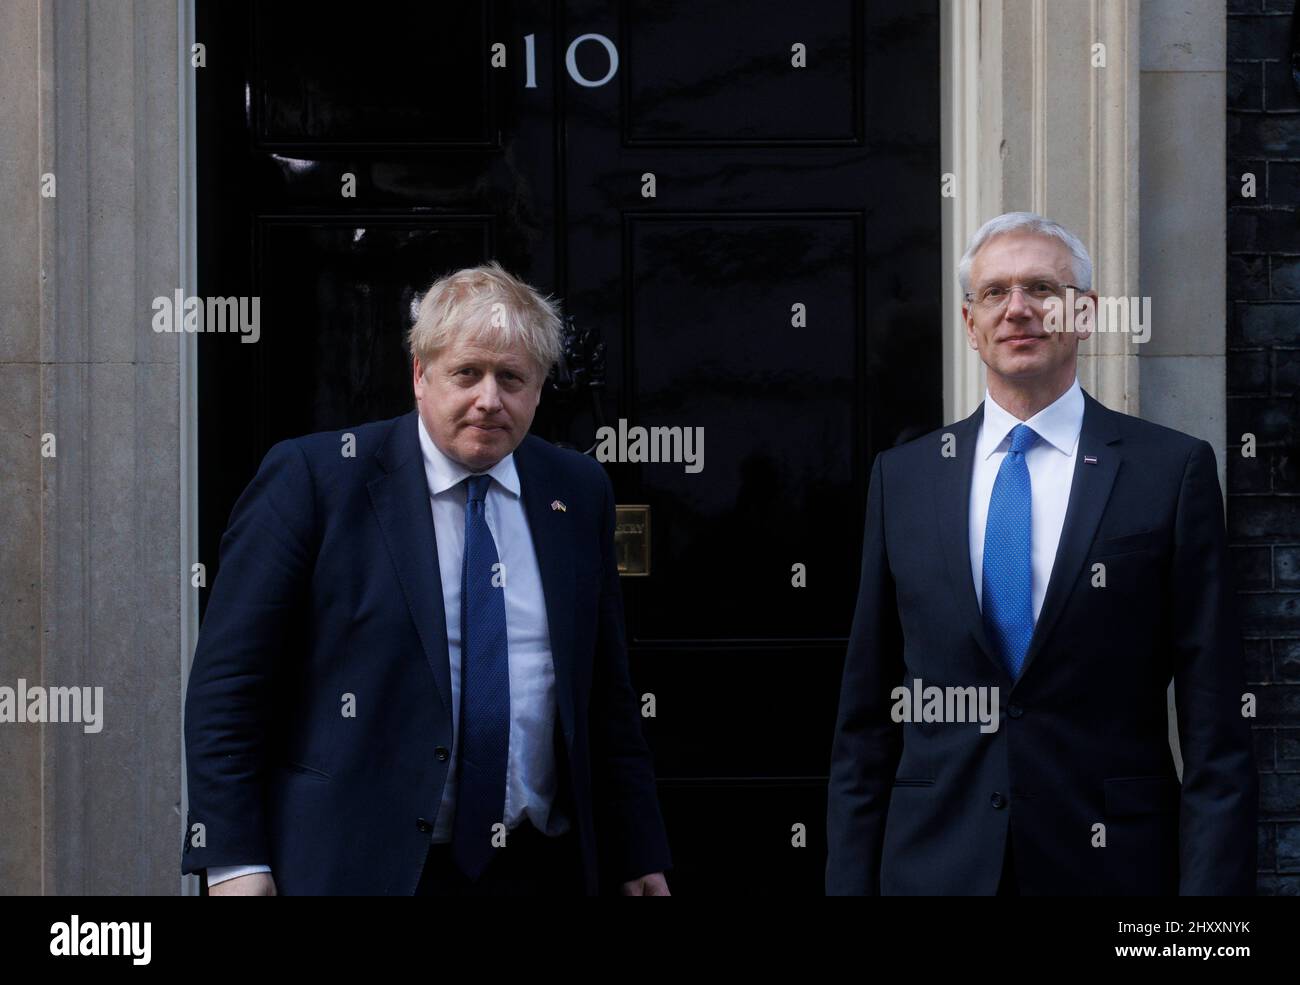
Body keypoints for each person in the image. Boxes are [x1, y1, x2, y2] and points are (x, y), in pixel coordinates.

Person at [183, 262, 671, 895]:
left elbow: (605, 693)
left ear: (540, 388)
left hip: (536, 866)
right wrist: (234, 862)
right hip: (359, 868)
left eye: (512, 378)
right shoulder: (316, 480)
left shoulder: (576, 491)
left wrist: (636, 852)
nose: (489, 399)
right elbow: (230, 685)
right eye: (467, 372)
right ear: (420, 375)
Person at [826, 212, 1257, 895]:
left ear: (1084, 314)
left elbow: (1217, 732)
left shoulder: (1169, 472)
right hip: (934, 865)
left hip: (1114, 866)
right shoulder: (902, 479)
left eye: (1040, 288)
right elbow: (864, 722)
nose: (1017, 308)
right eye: (994, 293)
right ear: (970, 324)